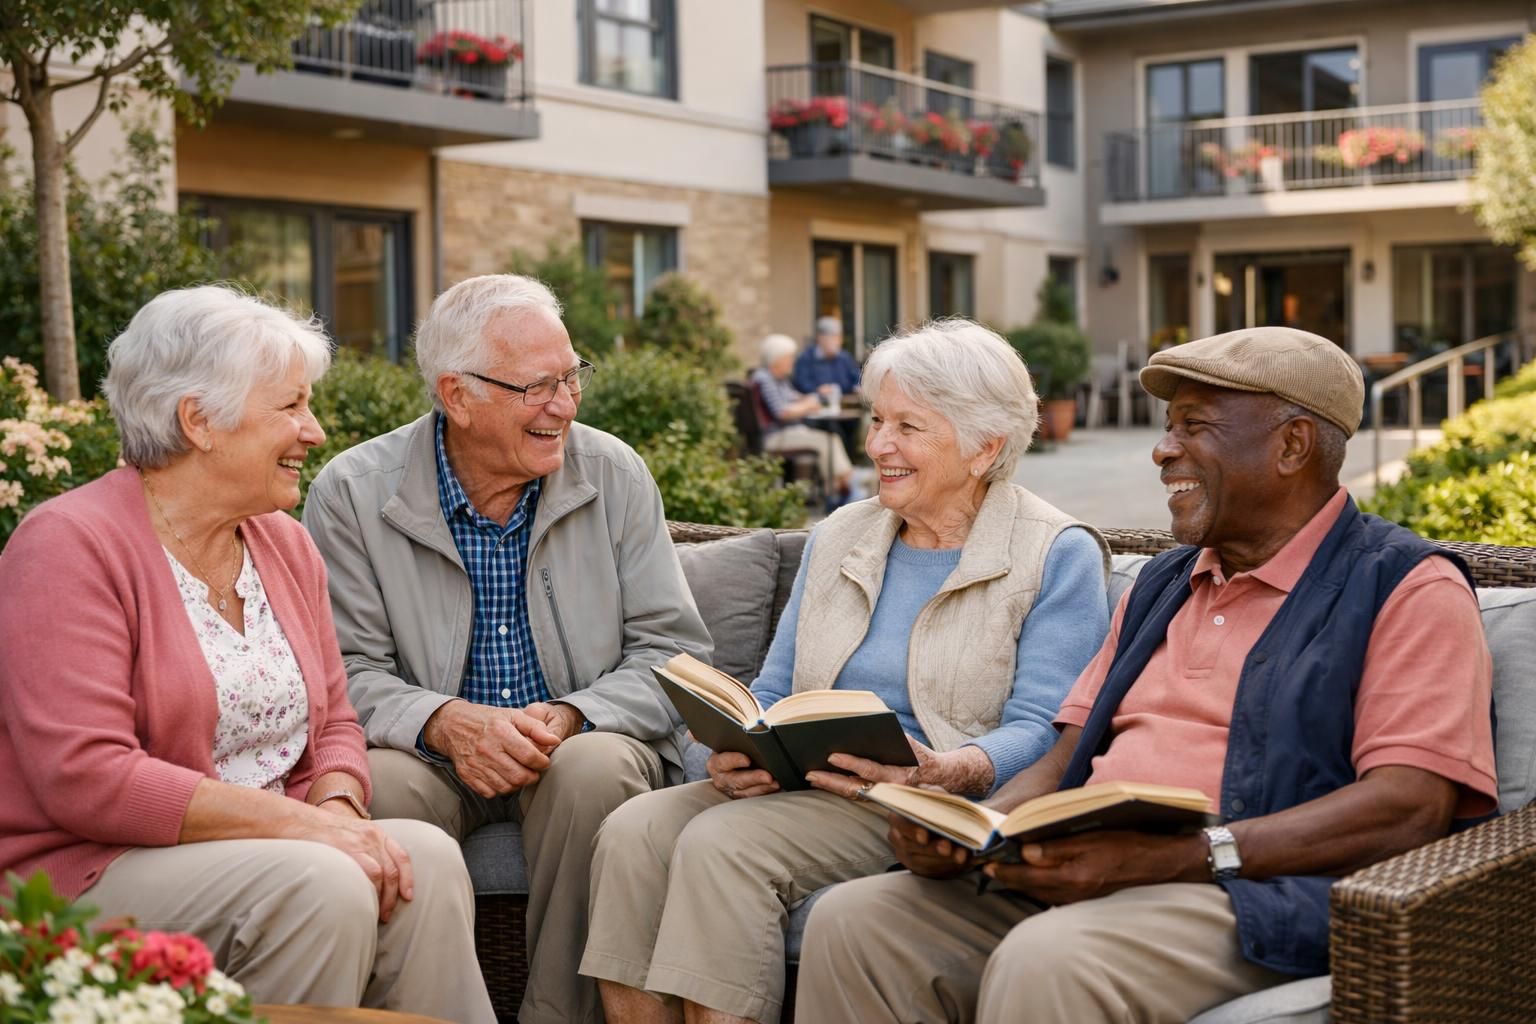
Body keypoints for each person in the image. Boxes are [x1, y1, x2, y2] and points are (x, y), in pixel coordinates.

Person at [795, 326, 1497, 1024]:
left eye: (1195, 427)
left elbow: (1410, 805)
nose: (1163, 450)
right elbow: (1067, 755)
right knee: (857, 920)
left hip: (1252, 891)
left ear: (1292, 445)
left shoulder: (1404, 586)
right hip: (1098, 864)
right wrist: (973, 831)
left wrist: (1178, 858)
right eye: (1167, 428)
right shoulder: (1165, 582)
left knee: (1051, 958)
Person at [580, 318, 1113, 1024]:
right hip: (800, 780)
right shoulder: (839, 534)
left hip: (917, 800)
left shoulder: (1057, 553)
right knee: (631, 832)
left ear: (985, 447)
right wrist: (728, 748)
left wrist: (948, 769)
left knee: (721, 846)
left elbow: (1049, 731)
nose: (878, 445)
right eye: (877, 419)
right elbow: (772, 690)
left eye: (908, 427)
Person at [0, 285, 494, 1022]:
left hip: (275, 844)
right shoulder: (68, 545)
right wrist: (306, 830)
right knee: (319, 879)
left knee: (423, 857)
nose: (315, 430)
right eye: (290, 407)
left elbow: (333, 725)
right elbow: (87, 776)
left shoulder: (283, 544)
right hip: (90, 869)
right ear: (199, 421)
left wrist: (337, 807)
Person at [303, 273, 712, 1024]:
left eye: (570, 377)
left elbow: (672, 652)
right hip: (428, 750)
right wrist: (446, 721)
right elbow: (340, 672)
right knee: (377, 793)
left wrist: (568, 715)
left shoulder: (614, 474)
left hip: (577, 739)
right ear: (457, 395)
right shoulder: (353, 493)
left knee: (594, 771)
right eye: (537, 387)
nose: (564, 404)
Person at [751, 332, 854, 500]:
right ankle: (842, 486)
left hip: (786, 433)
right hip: (775, 437)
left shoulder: (779, 379)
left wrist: (814, 396)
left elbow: (796, 397)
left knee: (831, 437)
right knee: (826, 440)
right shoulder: (765, 379)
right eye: (789, 357)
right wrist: (807, 406)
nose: (792, 361)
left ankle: (838, 487)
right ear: (777, 359)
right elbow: (782, 412)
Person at [792, 316, 861, 402]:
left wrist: (857, 388)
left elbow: (857, 379)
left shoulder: (844, 357)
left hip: (845, 404)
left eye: (838, 337)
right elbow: (801, 383)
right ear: (820, 338)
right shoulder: (806, 357)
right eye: (831, 337)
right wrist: (817, 389)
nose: (836, 341)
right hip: (816, 405)